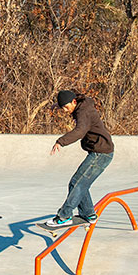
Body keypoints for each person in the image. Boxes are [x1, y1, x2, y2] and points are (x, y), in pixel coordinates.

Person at [48, 89, 114, 228]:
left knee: (76, 184)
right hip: (99, 152)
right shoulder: (82, 104)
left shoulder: (83, 113)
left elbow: (80, 131)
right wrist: (57, 105)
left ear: (74, 102)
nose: (65, 111)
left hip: (100, 154)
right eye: (63, 108)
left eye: (66, 107)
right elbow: (69, 97)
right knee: (81, 184)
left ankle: (64, 216)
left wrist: (61, 141)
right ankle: (89, 214)